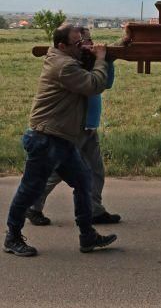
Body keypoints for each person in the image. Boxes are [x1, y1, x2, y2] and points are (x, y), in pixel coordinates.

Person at [3, 24, 118, 257]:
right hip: (45, 138)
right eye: (78, 44)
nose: (83, 46)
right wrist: (101, 58)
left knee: (84, 182)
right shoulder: (64, 66)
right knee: (29, 190)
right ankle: (12, 237)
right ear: (62, 46)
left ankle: (87, 236)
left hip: (62, 138)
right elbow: (93, 85)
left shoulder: (65, 58)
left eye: (83, 42)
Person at [26, 27, 121, 227]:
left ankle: (95, 210)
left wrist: (115, 51)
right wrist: (102, 59)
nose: (90, 45)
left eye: (89, 41)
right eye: (83, 42)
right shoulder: (76, 65)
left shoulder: (89, 61)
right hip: (74, 127)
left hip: (89, 124)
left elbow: (107, 81)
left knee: (95, 171)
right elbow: (95, 83)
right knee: (58, 173)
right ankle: (32, 206)